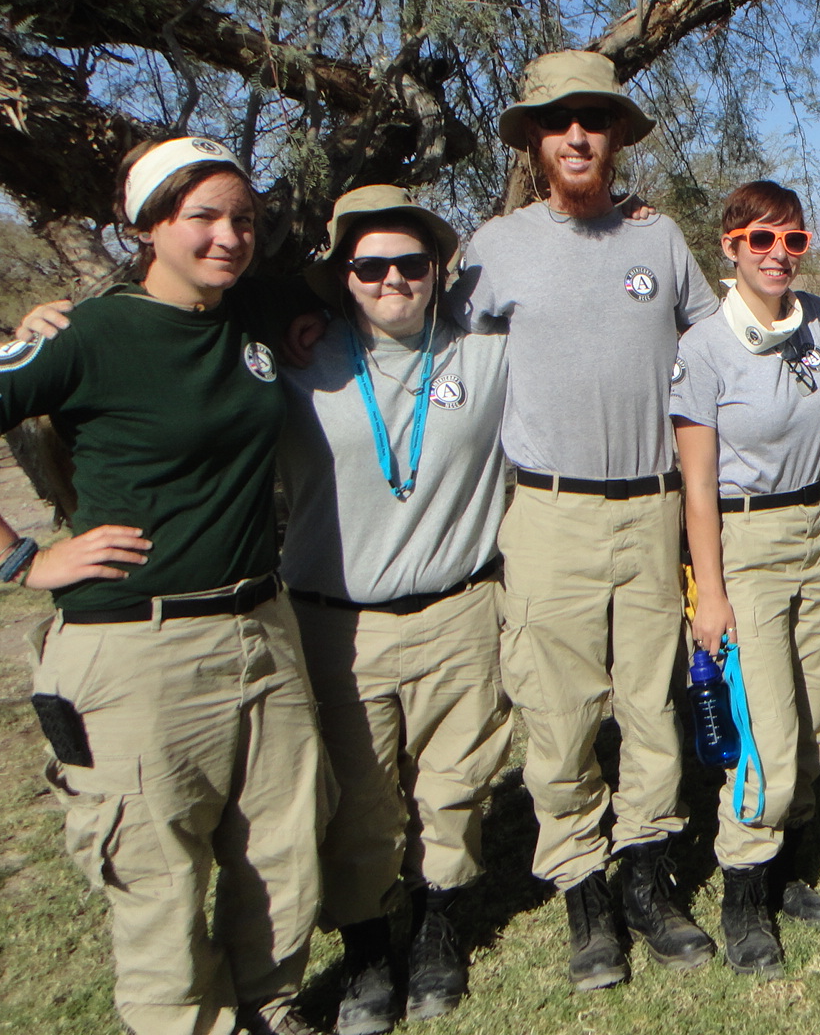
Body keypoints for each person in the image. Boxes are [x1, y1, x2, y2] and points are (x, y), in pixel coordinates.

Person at [0, 137, 327, 1035]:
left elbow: (342, 282)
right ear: (145, 225)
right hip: (136, 644)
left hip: (260, 621)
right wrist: (21, 559)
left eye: (243, 219)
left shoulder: (246, 315)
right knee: (157, 868)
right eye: (203, 217)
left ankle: (272, 1007)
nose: (228, 236)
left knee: (281, 848)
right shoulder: (89, 334)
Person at [455, 50, 719, 985]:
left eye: (595, 120)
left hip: (650, 510)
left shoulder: (659, 242)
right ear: (533, 138)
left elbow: (721, 346)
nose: (577, 135)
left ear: (615, 136)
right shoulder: (492, 248)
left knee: (651, 706)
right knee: (558, 714)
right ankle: (585, 895)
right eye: (558, 121)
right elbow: (426, 357)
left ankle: (649, 880)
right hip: (548, 512)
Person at [282, 187, 512, 1032]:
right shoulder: (298, 362)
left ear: (436, 272)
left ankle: (438, 932)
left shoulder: (486, 358)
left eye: (410, 264)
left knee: (455, 785)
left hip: (460, 609)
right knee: (362, 798)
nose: (392, 280)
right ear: (343, 278)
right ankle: (370, 953)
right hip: (339, 624)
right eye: (370, 266)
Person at [670, 180, 820, 975]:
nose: (779, 256)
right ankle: (743, 897)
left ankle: (790, 871)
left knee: (811, 716)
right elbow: (695, 487)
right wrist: (710, 594)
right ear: (730, 246)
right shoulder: (705, 347)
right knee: (763, 728)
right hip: (746, 542)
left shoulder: (819, 326)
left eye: (794, 241)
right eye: (762, 241)